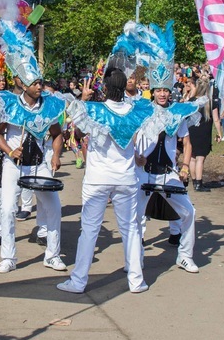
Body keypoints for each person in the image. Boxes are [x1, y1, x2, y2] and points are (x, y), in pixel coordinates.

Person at [57, 65, 154, 295]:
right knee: (130, 229)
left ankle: (78, 281)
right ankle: (136, 280)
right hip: (126, 178)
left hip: (98, 179)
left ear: (106, 88)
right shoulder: (135, 111)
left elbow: (78, 133)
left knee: (89, 229)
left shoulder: (94, 110)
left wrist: (84, 100)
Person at [0, 22, 66, 274]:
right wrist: (9, 150)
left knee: (54, 207)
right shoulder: (7, 103)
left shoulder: (50, 105)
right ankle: (8, 257)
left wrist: (57, 156)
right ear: (21, 81)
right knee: (7, 208)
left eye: (41, 82)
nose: (40, 86)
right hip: (13, 164)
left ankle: (52, 255)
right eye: (35, 82)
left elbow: (56, 133)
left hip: (39, 164)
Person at [129, 21, 203, 273]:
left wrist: (185, 167)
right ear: (153, 89)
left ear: (170, 91)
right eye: (158, 89)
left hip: (168, 172)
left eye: (165, 90)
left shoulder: (176, 113)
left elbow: (187, 142)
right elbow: (131, 135)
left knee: (189, 212)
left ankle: (184, 255)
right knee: (136, 217)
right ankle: (134, 260)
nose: (162, 94)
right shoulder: (143, 111)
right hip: (143, 170)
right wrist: (136, 155)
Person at [185, 78, 213, 191]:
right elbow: (215, 118)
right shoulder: (209, 102)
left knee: (192, 158)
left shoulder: (191, 101)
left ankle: (194, 181)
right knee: (200, 158)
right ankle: (199, 183)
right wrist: (219, 133)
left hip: (192, 131)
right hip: (204, 133)